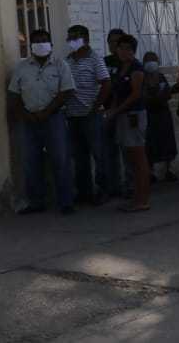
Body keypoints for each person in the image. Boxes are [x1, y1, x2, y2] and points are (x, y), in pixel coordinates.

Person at [8, 28, 76, 214]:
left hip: (54, 118)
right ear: (31, 46)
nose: (41, 44)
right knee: (30, 161)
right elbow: (13, 94)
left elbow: (67, 91)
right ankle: (36, 201)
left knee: (60, 159)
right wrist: (25, 114)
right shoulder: (21, 68)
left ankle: (66, 201)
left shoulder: (61, 65)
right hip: (29, 120)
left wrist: (47, 111)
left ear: (51, 45)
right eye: (37, 41)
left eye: (44, 41)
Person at [63, 24, 111, 205]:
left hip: (91, 115)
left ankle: (103, 190)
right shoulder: (67, 60)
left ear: (86, 39)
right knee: (79, 156)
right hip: (72, 116)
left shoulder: (94, 59)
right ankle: (84, 192)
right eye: (70, 37)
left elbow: (106, 83)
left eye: (75, 37)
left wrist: (95, 107)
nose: (72, 41)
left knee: (99, 154)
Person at [105, 35, 151, 212]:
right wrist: (113, 110)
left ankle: (142, 200)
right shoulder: (119, 67)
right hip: (123, 116)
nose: (123, 51)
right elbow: (117, 93)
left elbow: (135, 94)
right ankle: (136, 198)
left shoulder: (136, 68)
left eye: (127, 48)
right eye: (121, 48)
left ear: (133, 50)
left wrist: (116, 110)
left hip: (134, 115)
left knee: (139, 159)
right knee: (131, 159)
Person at [100, 28, 129, 199]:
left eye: (117, 42)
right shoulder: (105, 61)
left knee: (127, 150)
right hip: (107, 111)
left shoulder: (129, 62)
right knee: (109, 150)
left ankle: (130, 185)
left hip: (124, 111)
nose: (114, 45)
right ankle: (114, 186)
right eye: (111, 42)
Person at [141, 51, 178, 181]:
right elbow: (143, 96)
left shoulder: (161, 77)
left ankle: (169, 169)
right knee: (150, 143)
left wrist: (158, 97)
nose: (151, 63)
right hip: (149, 115)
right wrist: (156, 97)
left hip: (163, 114)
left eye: (153, 60)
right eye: (148, 60)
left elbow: (167, 94)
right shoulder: (142, 78)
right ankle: (151, 172)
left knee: (167, 140)